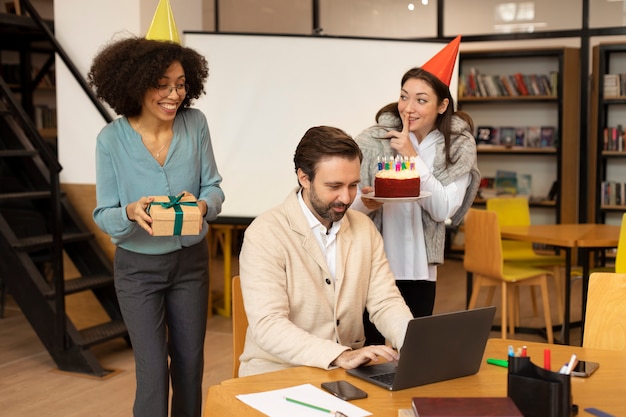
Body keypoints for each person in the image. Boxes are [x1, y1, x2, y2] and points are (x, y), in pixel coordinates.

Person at [87, 26, 225, 417]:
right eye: (162, 84)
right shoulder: (111, 140)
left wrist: (202, 207)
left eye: (181, 84)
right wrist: (130, 211)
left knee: (189, 365)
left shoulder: (195, 124)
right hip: (138, 269)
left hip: (190, 263)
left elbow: (213, 187)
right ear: (136, 85)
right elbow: (104, 214)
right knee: (151, 372)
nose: (174, 94)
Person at [237, 125, 414, 377]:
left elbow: (385, 302)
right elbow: (268, 326)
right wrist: (340, 355)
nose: (346, 197)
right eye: (334, 186)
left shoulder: (365, 229)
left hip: (344, 373)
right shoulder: (265, 233)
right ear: (304, 178)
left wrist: (414, 343)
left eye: (353, 185)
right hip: (276, 373)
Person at [351, 36, 480, 344]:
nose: (409, 108)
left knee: (412, 348)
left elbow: (444, 210)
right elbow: (349, 205)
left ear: (442, 104)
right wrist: (366, 202)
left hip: (421, 269)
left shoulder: (457, 146)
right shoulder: (372, 140)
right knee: (372, 349)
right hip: (375, 266)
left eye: (421, 100)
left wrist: (412, 156)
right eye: (404, 96)